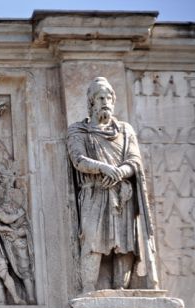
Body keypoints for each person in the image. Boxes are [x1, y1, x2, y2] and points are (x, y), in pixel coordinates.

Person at [67, 77, 158, 292]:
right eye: (100, 97)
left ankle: (121, 291)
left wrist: (120, 172)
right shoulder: (78, 130)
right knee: (91, 243)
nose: (105, 101)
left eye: (109, 97)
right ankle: (88, 292)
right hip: (94, 194)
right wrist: (104, 168)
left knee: (124, 246)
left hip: (122, 194)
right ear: (91, 102)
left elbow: (134, 161)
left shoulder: (125, 130)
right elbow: (78, 159)